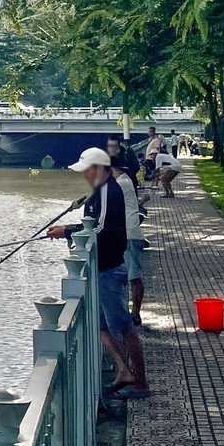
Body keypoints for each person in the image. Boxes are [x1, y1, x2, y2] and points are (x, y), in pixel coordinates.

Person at [48, 147, 150, 399]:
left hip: (109, 268)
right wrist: (69, 227)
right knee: (99, 325)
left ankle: (141, 383)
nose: (84, 175)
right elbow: (93, 225)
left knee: (124, 326)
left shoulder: (106, 190)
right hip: (103, 267)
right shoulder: (101, 190)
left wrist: (68, 232)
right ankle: (124, 370)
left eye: (86, 170)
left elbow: (100, 228)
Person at [111, 155, 150, 326]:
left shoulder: (121, 184)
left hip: (129, 235)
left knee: (133, 276)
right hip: (125, 234)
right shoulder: (125, 181)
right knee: (127, 275)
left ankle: (135, 313)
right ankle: (130, 311)